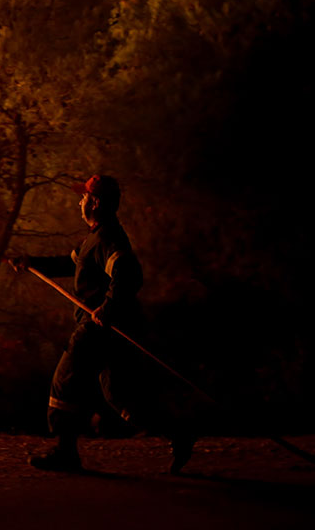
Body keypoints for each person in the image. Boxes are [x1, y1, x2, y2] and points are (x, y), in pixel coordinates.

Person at [10, 174, 195, 474]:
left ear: (94, 203)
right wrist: (31, 262)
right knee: (122, 396)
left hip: (100, 327)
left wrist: (107, 309)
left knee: (66, 380)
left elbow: (129, 274)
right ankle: (178, 432)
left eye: (83, 197)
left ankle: (65, 452)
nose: (79, 201)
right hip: (112, 328)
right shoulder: (92, 239)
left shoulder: (109, 237)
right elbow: (70, 264)